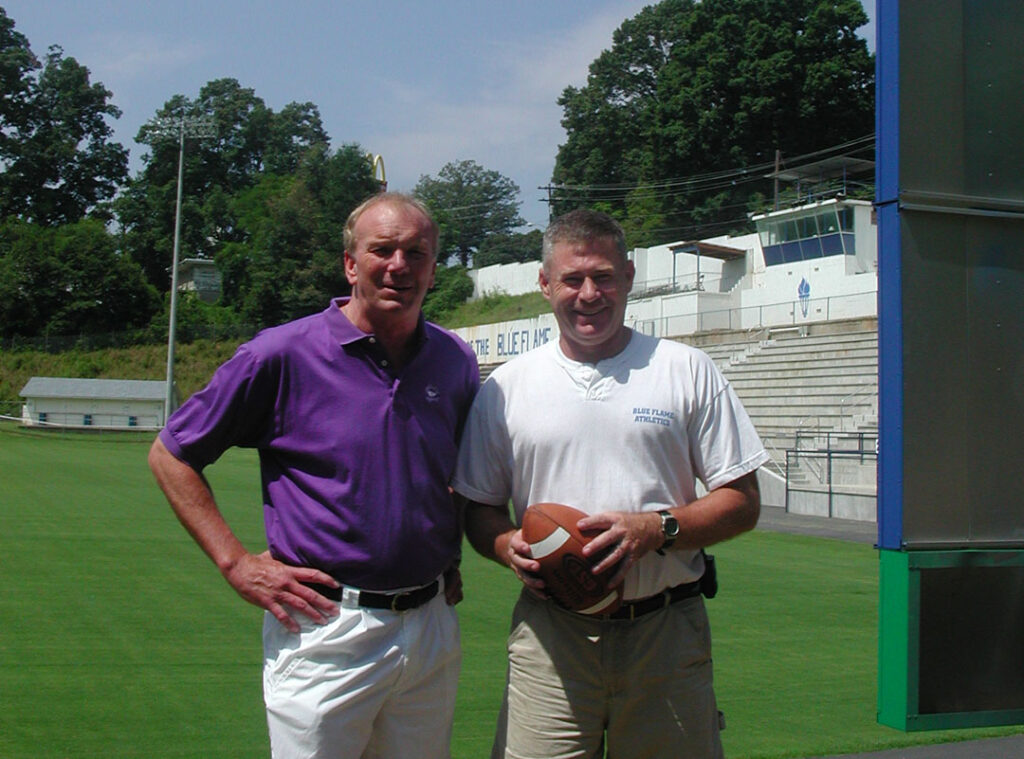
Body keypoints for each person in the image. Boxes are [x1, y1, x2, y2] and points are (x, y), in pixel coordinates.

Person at [148, 192, 479, 759]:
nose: (399, 265)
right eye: (382, 250)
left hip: (429, 626)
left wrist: (446, 555)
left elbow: (452, 471)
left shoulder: (453, 358)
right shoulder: (280, 355)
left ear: (432, 266)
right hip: (326, 628)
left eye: (416, 252)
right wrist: (236, 562)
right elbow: (171, 454)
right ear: (351, 264)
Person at [453, 208, 770, 759]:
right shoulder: (506, 386)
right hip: (552, 635)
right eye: (573, 279)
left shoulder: (685, 369)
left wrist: (656, 528)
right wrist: (508, 547)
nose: (589, 293)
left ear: (628, 277)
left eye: (603, 276)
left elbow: (742, 502)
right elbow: (478, 509)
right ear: (545, 283)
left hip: (665, 629)